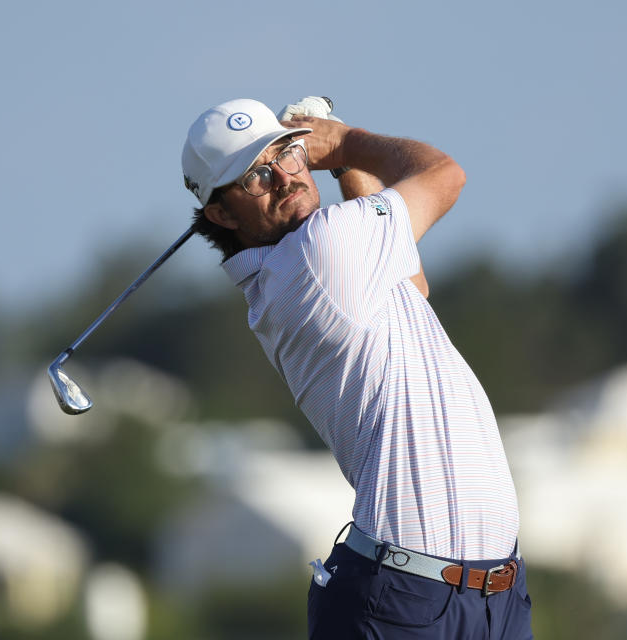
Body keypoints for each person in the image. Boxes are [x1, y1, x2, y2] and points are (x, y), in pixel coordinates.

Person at [181, 97, 532, 639]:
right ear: (222, 214)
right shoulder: (317, 253)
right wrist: (344, 142)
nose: (284, 176)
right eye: (255, 176)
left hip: (490, 598)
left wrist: (346, 169)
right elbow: (444, 175)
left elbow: (412, 287)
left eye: (286, 153)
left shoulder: (310, 260)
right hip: (405, 602)